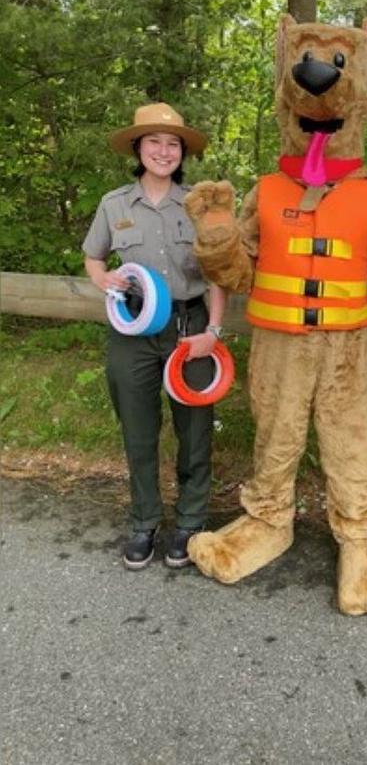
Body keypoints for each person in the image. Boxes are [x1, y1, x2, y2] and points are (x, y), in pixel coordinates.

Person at [83, 103, 227, 571]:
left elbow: (220, 275)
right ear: (137, 148)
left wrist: (214, 331)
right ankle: (144, 521)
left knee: (195, 431)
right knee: (139, 432)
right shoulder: (114, 204)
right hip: (134, 332)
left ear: (182, 153)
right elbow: (94, 258)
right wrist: (102, 279)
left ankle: (189, 521)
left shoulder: (201, 205)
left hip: (192, 331)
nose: (163, 151)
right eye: (154, 143)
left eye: (172, 144)